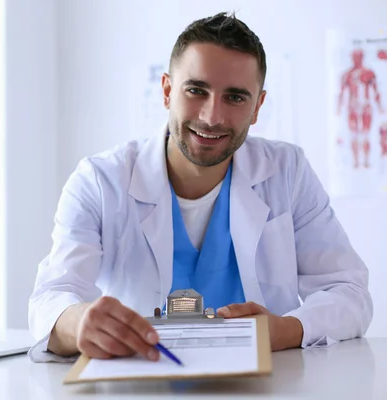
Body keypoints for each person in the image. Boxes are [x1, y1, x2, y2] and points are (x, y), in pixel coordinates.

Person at [28, 12, 373, 363]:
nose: (212, 117)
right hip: (138, 382)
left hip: (269, 385)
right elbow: (52, 295)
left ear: (257, 107)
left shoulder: (288, 172)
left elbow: (349, 292)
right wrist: (78, 322)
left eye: (235, 97)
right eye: (196, 90)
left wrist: (283, 330)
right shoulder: (100, 181)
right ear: (166, 91)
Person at [337, 48, 383, 169]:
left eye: (358, 57)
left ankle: (366, 160)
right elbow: (341, 92)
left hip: (365, 107)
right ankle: (356, 161)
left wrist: (380, 107)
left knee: (366, 134)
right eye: (354, 57)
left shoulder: (369, 73)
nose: (356, 59)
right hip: (352, 108)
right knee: (354, 135)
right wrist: (338, 107)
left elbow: (376, 90)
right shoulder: (347, 75)